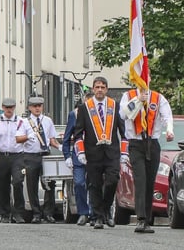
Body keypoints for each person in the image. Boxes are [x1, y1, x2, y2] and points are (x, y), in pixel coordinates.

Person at [74, 76, 127, 230]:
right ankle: (98, 216)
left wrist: (124, 153)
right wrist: (81, 152)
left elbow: (124, 132)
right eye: (97, 87)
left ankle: (106, 210)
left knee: (112, 181)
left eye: (102, 87)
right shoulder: (85, 108)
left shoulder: (115, 106)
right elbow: (78, 133)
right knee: (94, 185)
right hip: (92, 153)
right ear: (92, 89)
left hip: (112, 153)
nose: (99, 90)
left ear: (107, 89)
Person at [119, 86, 174, 233]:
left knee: (150, 181)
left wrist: (169, 129)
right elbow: (123, 115)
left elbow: (167, 115)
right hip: (136, 143)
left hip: (152, 143)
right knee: (140, 179)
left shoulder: (157, 97)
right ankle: (141, 219)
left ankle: (147, 219)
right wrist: (138, 101)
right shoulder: (128, 95)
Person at [0, 97, 35, 223]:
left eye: (11, 107)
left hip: (17, 155)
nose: (9, 110)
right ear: (3, 108)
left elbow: (28, 135)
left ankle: (18, 213)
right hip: (2, 155)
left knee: (18, 182)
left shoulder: (21, 121)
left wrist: (27, 137)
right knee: (2, 185)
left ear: (14, 108)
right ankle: (5, 213)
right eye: (7, 107)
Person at [22, 96, 60, 224]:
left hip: (45, 154)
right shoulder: (25, 122)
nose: (37, 108)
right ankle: (36, 213)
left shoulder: (47, 120)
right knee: (32, 185)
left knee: (50, 184)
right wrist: (28, 137)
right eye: (34, 106)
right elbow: (18, 138)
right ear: (29, 108)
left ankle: (49, 213)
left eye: (39, 106)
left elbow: (51, 139)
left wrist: (60, 147)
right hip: (31, 155)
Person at [62, 97, 93, 226]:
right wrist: (67, 155)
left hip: (94, 155)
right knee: (79, 183)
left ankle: (93, 212)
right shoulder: (74, 114)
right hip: (78, 154)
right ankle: (83, 212)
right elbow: (67, 136)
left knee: (94, 184)